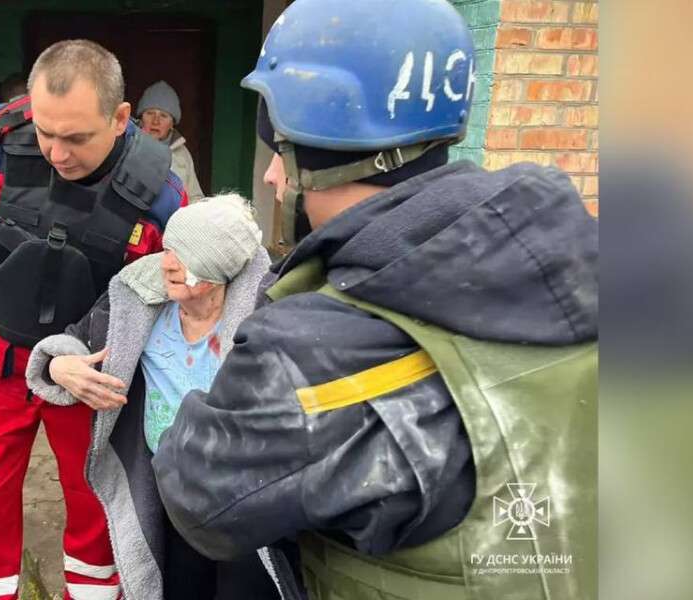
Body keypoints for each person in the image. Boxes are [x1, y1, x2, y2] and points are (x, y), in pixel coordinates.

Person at [152, 1, 598, 599]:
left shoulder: (308, 348)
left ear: (307, 156)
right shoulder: (587, 259)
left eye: (279, 150)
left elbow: (196, 497)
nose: (270, 178)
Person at [0, 39, 188, 600]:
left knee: (94, 499)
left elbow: (182, 288)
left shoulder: (160, 192)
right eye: (46, 132)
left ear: (121, 118)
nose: (56, 152)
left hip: (89, 372)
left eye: (76, 137)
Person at [24, 194, 279, 600]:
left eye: (187, 254)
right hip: (171, 492)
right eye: (169, 250)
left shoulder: (270, 312)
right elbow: (74, 340)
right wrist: (57, 366)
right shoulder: (138, 297)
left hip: (245, 497)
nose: (168, 263)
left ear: (222, 267)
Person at [137, 81, 204, 201]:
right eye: (150, 113)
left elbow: (195, 197)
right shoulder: (129, 146)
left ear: (172, 124)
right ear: (141, 118)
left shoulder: (182, 153)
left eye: (163, 116)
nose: (156, 121)